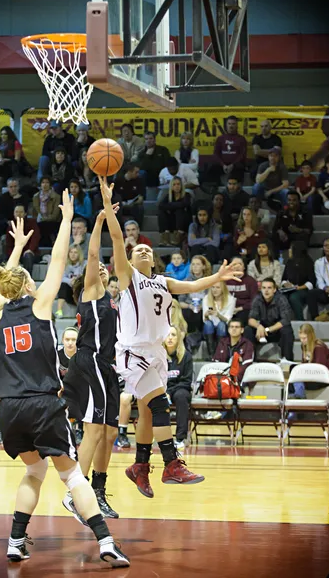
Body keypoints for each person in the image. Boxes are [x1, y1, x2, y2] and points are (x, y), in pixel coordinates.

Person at [0, 206, 129, 566]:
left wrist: (18, 247)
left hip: (8, 407)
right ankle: (106, 542)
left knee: (34, 471)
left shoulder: (0, 313)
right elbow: (56, 259)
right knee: (72, 476)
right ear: (26, 285)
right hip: (41, 403)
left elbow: (4, 284)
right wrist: (67, 220)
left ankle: (15, 540)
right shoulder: (39, 306)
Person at [99, 174, 242, 496]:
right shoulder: (128, 277)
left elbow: (192, 286)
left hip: (155, 352)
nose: (144, 251)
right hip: (133, 351)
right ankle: (172, 464)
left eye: (148, 250)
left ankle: (139, 465)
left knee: (149, 411)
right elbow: (118, 240)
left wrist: (217, 276)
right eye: (140, 250)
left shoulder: (163, 281)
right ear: (132, 259)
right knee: (160, 404)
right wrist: (108, 205)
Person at [63, 205, 122, 520]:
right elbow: (93, 254)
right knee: (94, 429)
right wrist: (99, 221)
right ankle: (76, 492)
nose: (100, 270)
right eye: (95, 270)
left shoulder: (110, 299)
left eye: (102, 270)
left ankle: (98, 492)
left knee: (110, 433)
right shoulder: (92, 292)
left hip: (107, 367)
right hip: (90, 363)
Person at [245, 278, 294, 362]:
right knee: (248, 330)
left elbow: (285, 320)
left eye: (269, 288)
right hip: (261, 333)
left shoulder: (281, 299)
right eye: (264, 288)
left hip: (277, 332)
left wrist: (267, 329)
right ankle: (249, 360)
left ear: (274, 289)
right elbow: (251, 319)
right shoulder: (257, 299)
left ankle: (287, 361)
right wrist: (259, 326)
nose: (266, 291)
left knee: (287, 330)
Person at [164, 326, 193, 450]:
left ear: (178, 338)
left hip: (180, 388)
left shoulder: (186, 356)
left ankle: (180, 438)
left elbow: (186, 381)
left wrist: (170, 392)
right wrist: (166, 392)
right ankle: (161, 438)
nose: (170, 338)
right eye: (167, 335)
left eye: (173, 335)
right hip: (163, 389)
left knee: (181, 396)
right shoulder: (159, 356)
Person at [293, 323, 329, 398]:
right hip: (309, 376)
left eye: (304, 338)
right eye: (300, 338)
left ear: (310, 336)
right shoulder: (304, 346)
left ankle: (299, 398)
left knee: (297, 381)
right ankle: (297, 399)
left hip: (321, 379)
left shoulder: (319, 347)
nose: (302, 341)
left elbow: (319, 369)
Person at [280, 241, 316, 321]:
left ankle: (300, 320)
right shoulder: (289, 262)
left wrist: (299, 288)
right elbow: (284, 278)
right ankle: (283, 321)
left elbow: (311, 281)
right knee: (282, 297)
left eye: (290, 248)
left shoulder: (308, 262)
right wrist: (286, 284)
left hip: (303, 290)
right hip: (290, 289)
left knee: (294, 297)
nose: (289, 250)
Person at [213, 318, 254, 383]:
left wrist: (233, 378)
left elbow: (246, 365)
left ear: (242, 330)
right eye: (232, 327)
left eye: (237, 327)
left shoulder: (248, 345)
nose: (234, 329)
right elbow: (216, 362)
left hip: (240, 380)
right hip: (221, 378)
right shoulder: (222, 343)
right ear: (228, 330)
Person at [209, 116, 247, 185]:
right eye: (229, 124)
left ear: (236, 125)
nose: (231, 126)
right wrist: (223, 165)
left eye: (233, 124)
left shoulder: (241, 139)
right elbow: (216, 153)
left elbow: (242, 155)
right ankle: (215, 187)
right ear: (226, 125)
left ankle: (235, 188)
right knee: (211, 169)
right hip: (222, 165)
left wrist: (232, 165)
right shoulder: (220, 138)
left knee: (239, 169)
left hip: (236, 166)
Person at [178, 255, 211, 335]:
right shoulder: (186, 282)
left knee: (199, 314)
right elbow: (180, 302)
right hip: (188, 308)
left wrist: (202, 306)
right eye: (193, 264)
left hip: (204, 309)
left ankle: (199, 338)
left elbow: (212, 300)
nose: (195, 267)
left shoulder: (209, 281)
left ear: (203, 266)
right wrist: (190, 306)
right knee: (187, 313)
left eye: (198, 264)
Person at [202, 282, 236, 358]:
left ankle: (220, 353)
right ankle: (212, 355)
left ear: (223, 289)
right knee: (208, 324)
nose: (215, 290)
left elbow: (228, 320)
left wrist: (218, 315)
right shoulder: (206, 298)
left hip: (224, 327)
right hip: (210, 327)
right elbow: (204, 319)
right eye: (213, 287)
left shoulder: (231, 300)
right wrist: (206, 315)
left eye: (218, 287)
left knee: (221, 325)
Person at [0, 178, 29, 242]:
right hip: (5, 220)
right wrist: (7, 221)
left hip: (20, 219)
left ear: (18, 187)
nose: (13, 189)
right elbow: (0, 214)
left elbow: (24, 211)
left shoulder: (24, 197)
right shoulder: (3, 197)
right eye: (11, 187)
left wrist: (16, 199)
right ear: (7, 188)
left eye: (15, 186)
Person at [6, 204, 40, 276]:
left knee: (28, 256)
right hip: (16, 252)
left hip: (30, 252)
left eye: (21, 212)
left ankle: (27, 279)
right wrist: (14, 255)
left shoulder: (32, 223)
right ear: (14, 214)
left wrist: (30, 249)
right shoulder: (11, 226)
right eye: (16, 212)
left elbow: (35, 237)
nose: (18, 214)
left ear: (25, 213)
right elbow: (9, 244)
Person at [158, 176, 193, 246]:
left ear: (181, 185)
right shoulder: (169, 196)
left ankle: (178, 235)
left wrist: (170, 206)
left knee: (179, 210)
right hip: (173, 222)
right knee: (161, 212)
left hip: (183, 223)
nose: (176, 186)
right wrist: (176, 205)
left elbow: (184, 204)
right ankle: (165, 236)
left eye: (178, 184)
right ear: (171, 186)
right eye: (174, 184)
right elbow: (161, 205)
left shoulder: (186, 195)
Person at [226, 257, 259, 327]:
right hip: (227, 308)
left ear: (244, 267)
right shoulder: (225, 280)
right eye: (234, 264)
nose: (237, 266)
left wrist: (239, 308)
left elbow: (255, 301)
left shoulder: (251, 281)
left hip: (244, 309)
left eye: (240, 264)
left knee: (241, 319)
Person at [55, 245, 86, 318]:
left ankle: (82, 312)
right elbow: (60, 278)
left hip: (80, 291)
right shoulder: (64, 264)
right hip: (69, 292)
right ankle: (59, 311)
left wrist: (77, 281)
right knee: (63, 285)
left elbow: (87, 277)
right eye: (71, 252)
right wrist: (70, 281)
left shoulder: (84, 264)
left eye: (75, 252)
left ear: (79, 254)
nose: (73, 254)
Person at [114, 163, 146, 228]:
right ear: (129, 172)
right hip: (120, 205)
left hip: (133, 204)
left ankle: (138, 228)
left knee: (140, 208)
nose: (138, 174)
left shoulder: (139, 181)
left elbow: (141, 198)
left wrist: (134, 203)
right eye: (136, 172)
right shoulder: (118, 180)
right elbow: (114, 195)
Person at [307, 238, 329, 320]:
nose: (328, 248)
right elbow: (319, 281)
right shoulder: (318, 262)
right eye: (325, 246)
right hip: (326, 291)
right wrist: (325, 288)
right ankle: (316, 318)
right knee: (311, 293)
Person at [0, 126, 24, 191]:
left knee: (10, 166)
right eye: (1, 134)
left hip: (15, 163)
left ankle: (1, 182)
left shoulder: (15, 143)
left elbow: (17, 159)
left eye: (5, 134)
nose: (3, 136)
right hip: (5, 164)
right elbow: (0, 159)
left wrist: (5, 160)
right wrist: (1, 161)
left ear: (9, 135)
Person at [32, 176, 61, 247]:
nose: (45, 185)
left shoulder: (56, 197)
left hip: (53, 221)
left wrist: (45, 219)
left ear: (50, 184)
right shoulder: (36, 197)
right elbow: (35, 213)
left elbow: (55, 215)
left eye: (47, 182)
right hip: (40, 220)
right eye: (43, 183)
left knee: (45, 226)